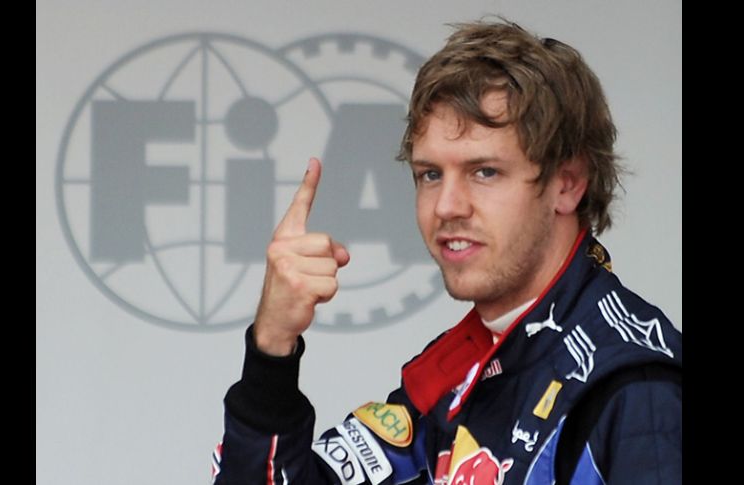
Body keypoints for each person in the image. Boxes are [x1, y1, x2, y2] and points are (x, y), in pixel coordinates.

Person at [211, 18, 681, 485]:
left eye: (485, 172)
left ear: (568, 184)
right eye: (430, 174)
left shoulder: (633, 389)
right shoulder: (462, 367)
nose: (447, 207)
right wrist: (272, 348)